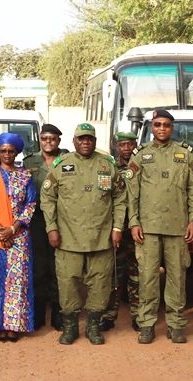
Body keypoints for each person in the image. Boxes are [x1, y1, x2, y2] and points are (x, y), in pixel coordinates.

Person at [41, 123, 127, 345]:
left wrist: (117, 228)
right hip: (68, 239)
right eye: (81, 138)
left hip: (102, 238)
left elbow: (120, 198)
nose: (85, 142)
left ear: (95, 141)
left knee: (100, 283)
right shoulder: (62, 166)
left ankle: (93, 327)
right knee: (68, 283)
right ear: (74, 141)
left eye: (89, 138)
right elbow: (48, 198)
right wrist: (52, 228)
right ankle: (70, 327)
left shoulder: (107, 166)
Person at [128, 110, 193, 344]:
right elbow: (132, 194)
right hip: (148, 228)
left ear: (172, 128)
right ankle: (147, 324)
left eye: (167, 125)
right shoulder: (141, 155)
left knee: (177, 278)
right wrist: (133, 222)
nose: (162, 128)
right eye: (158, 124)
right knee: (148, 278)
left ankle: (176, 324)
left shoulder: (184, 155)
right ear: (152, 127)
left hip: (177, 227)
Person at [0, 132, 37, 342]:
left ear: (17, 152)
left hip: (19, 236)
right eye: (3, 150)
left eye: (11, 151)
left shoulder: (26, 175)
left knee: (17, 280)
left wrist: (13, 229)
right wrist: (0, 229)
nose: (7, 154)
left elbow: (31, 204)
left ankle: (14, 325)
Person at [23, 123, 67, 331]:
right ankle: (38, 314)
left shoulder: (67, 160)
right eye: (44, 138)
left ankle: (59, 315)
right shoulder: (29, 161)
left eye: (52, 139)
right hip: (37, 221)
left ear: (59, 140)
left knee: (59, 268)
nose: (48, 142)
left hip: (63, 220)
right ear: (40, 140)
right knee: (39, 269)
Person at [100, 131, 140, 332]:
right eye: (122, 145)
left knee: (137, 274)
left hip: (137, 227)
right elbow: (106, 195)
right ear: (116, 146)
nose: (126, 148)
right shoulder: (109, 166)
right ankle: (109, 315)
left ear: (135, 144)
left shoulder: (142, 164)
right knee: (113, 272)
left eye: (130, 144)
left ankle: (137, 315)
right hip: (116, 227)